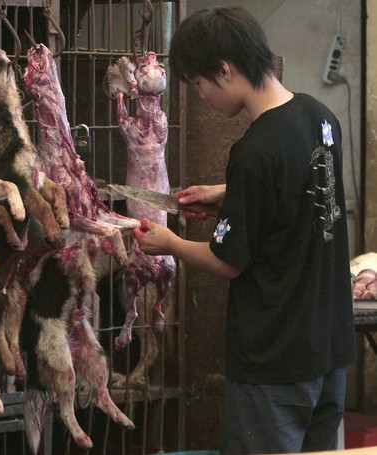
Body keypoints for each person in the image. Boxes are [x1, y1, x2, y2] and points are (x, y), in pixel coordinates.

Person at [134, 6, 357, 454]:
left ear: (224, 69)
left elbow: (228, 262)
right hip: (328, 353)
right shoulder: (321, 117)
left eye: (198, 85)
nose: (201, 97)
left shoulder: (255, 150)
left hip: (274, 362)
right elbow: (300, 199)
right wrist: (228, 193)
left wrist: (170, 244)